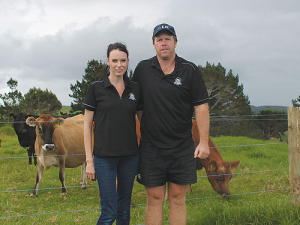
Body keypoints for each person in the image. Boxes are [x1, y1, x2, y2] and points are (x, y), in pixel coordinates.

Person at [132, 23, 210, 224]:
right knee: (154, 199)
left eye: (168, 39)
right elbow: (136, 104)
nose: (164, 43)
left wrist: (203, 142)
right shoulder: (142, 69)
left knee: (177, 198)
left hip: (182, 147)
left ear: (176, 42)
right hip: (151, 147)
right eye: (159, 40)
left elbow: (201, 107)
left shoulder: (190, 70)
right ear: (153, 44)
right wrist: (149, 126)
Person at [83, 42, 140, 225]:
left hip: (130, 157)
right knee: (109, 212)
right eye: (114, 60)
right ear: (107, 61)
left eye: (123, 60)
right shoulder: (96, 88)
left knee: (124, 210)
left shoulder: (135, 89)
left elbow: (145, 120)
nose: (119, 65)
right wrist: (89, 161)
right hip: (104, 158)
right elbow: (86, 127)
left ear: (128, 61)